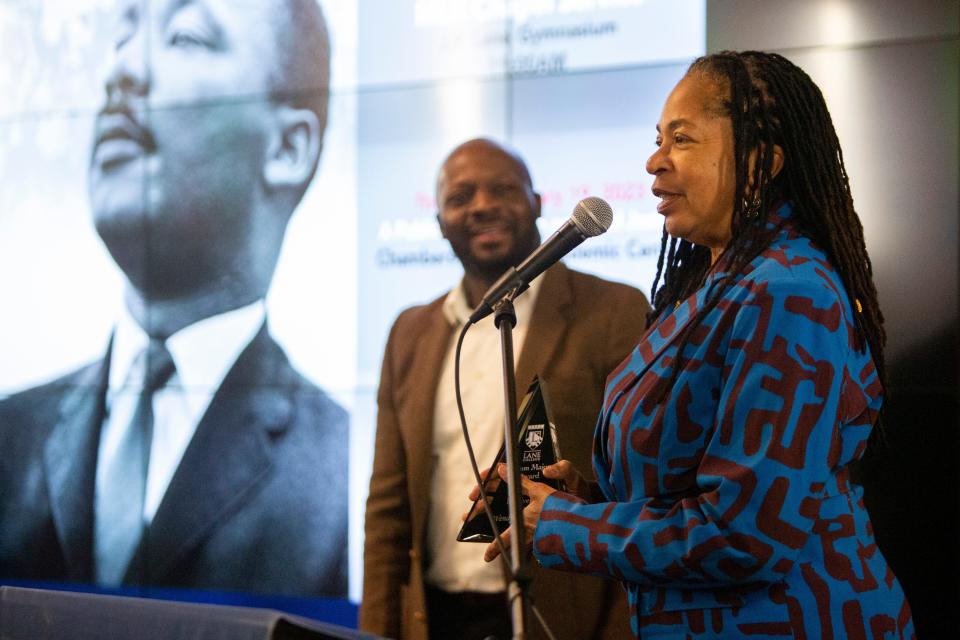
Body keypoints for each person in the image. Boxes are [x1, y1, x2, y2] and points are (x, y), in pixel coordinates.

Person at [480, 51, 916, 638]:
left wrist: (566, 526)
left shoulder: (787, 293)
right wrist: (572, 500)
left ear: (763, 160)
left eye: (681, 140)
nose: (654, 162)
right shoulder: (713, 289)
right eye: (658, 139)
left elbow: (746, 537)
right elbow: (685, 490)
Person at [0, 0, 348, 597]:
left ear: (288, 148)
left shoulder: (344, 469)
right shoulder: (10, 433)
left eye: (184, 37)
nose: (122, 72)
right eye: (120, 40)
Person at [360, 138, 650, 640]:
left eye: (502, 189)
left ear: (537, 204)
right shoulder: (410, 332)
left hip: (565, 618)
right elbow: (389, 509)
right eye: (460, 196)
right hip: (433, 616)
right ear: (439, 224)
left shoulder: (614, 311)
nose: (482, 206)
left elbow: (641, 494)